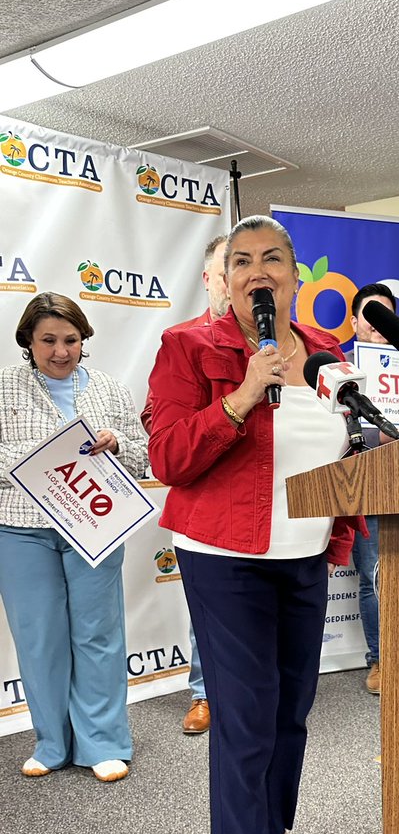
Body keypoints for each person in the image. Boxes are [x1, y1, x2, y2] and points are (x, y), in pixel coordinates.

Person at [148, 215, 363, 834]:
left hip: (304, 552)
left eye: (273, 257)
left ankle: (272, 826)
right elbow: (170, 459)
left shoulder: (330, 354)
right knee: (245, 720)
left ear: (295, 274)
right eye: (241, 261)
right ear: (225, 279)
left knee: (290, 709)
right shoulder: (187, 347)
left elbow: (342, 449)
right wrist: (240, 395)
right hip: (226, 558)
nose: (258, 270)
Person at [0, 292, 148, 781]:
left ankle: (103, 743)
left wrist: (117, 443)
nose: (61, 351)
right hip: (22, 528)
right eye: (49, 341)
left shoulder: (108, 387)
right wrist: (47, 459)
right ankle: (50, 743)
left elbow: (141, 454)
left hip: (96, 527)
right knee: (39, 638)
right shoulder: (4, 386)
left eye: (71, 339)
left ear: (84, 339)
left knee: (98, 634)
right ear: (28, 341)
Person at [142, 234, 229, 736]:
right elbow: (161, 427)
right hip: (202, 499)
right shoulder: (181, 340)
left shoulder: (282, 343)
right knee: (207, 608)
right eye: (225, 272)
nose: (235, 282)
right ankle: (203, 694)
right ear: (208, 280)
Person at [350, 283, 399, 695]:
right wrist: (379, 441)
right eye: (370, 315)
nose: (378, 325)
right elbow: (337, 434)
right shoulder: (339, 370)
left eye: (386, 316)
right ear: (354, 322)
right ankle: (381, 660)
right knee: (374, 578)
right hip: (368, 488)